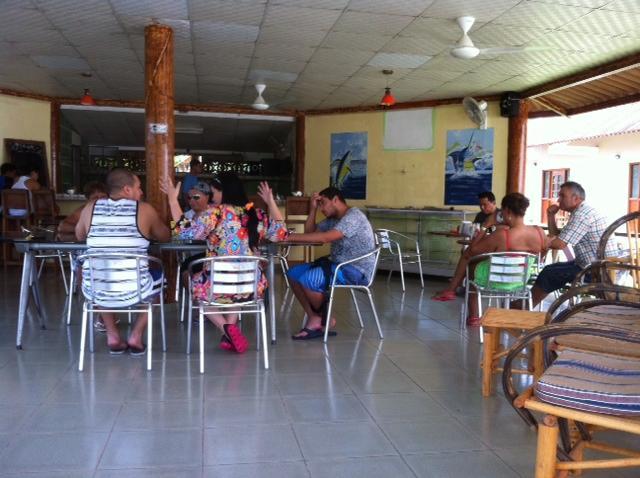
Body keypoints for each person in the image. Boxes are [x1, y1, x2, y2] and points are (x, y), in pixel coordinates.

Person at [161, 171, 287, 353]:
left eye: (213, 193)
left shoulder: (213, 214)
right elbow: (281, 233)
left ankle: (225, 327)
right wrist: (271, 202)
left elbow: (184, 232)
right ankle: (230, 330)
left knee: (194, 284)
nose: (211, 197)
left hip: (216, 287)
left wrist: (172, 200)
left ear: (224, 191)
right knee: (237, 278)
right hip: (251, 287)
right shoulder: (256, 214)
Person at [75, 168, 170, 355]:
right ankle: (136, 334)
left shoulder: (90, 208)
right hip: (137, 289)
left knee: (100, 273)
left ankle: (113, 335)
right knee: (162, 280)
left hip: (95, 291)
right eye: (139, 188)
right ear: (127, 189)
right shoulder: (144, 209)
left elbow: (79, 235)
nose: (141, 193)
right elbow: (165, 236)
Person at [432, 193, 547, 326]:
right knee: (477, 262)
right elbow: (542, 254)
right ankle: (451, 291)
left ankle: (473, 316)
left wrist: (485, 226)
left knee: (472, 264)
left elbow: (471, 251)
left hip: (493, 280)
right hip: (521, 281)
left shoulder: (502, 235)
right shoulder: (539, 232)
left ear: (507, 211)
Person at [286, 187, 376, 340]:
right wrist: (312, 209)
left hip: (356, 270)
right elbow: (311, 233)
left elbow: (324, 238)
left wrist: (288, 237)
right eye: (319, 204)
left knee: (309, 279)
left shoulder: (353, 216)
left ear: (335, 200)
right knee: (293, 274)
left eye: (323, 203)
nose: (322, 208)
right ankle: (315, 318)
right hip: (338, 265)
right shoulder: (334, 219)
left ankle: (323, 319)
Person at [530, 181, 616, 308]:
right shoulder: (581, 212)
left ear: (576, 198)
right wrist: (550, 215)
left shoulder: (582, 215)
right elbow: (557, 236)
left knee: (549, 274)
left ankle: (524, 307)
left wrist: (532, 241)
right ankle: (525, 306)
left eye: (562, 196)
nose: (558, 200)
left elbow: (559, 244)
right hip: (589, 265)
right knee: (550, 270)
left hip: (598, 270)